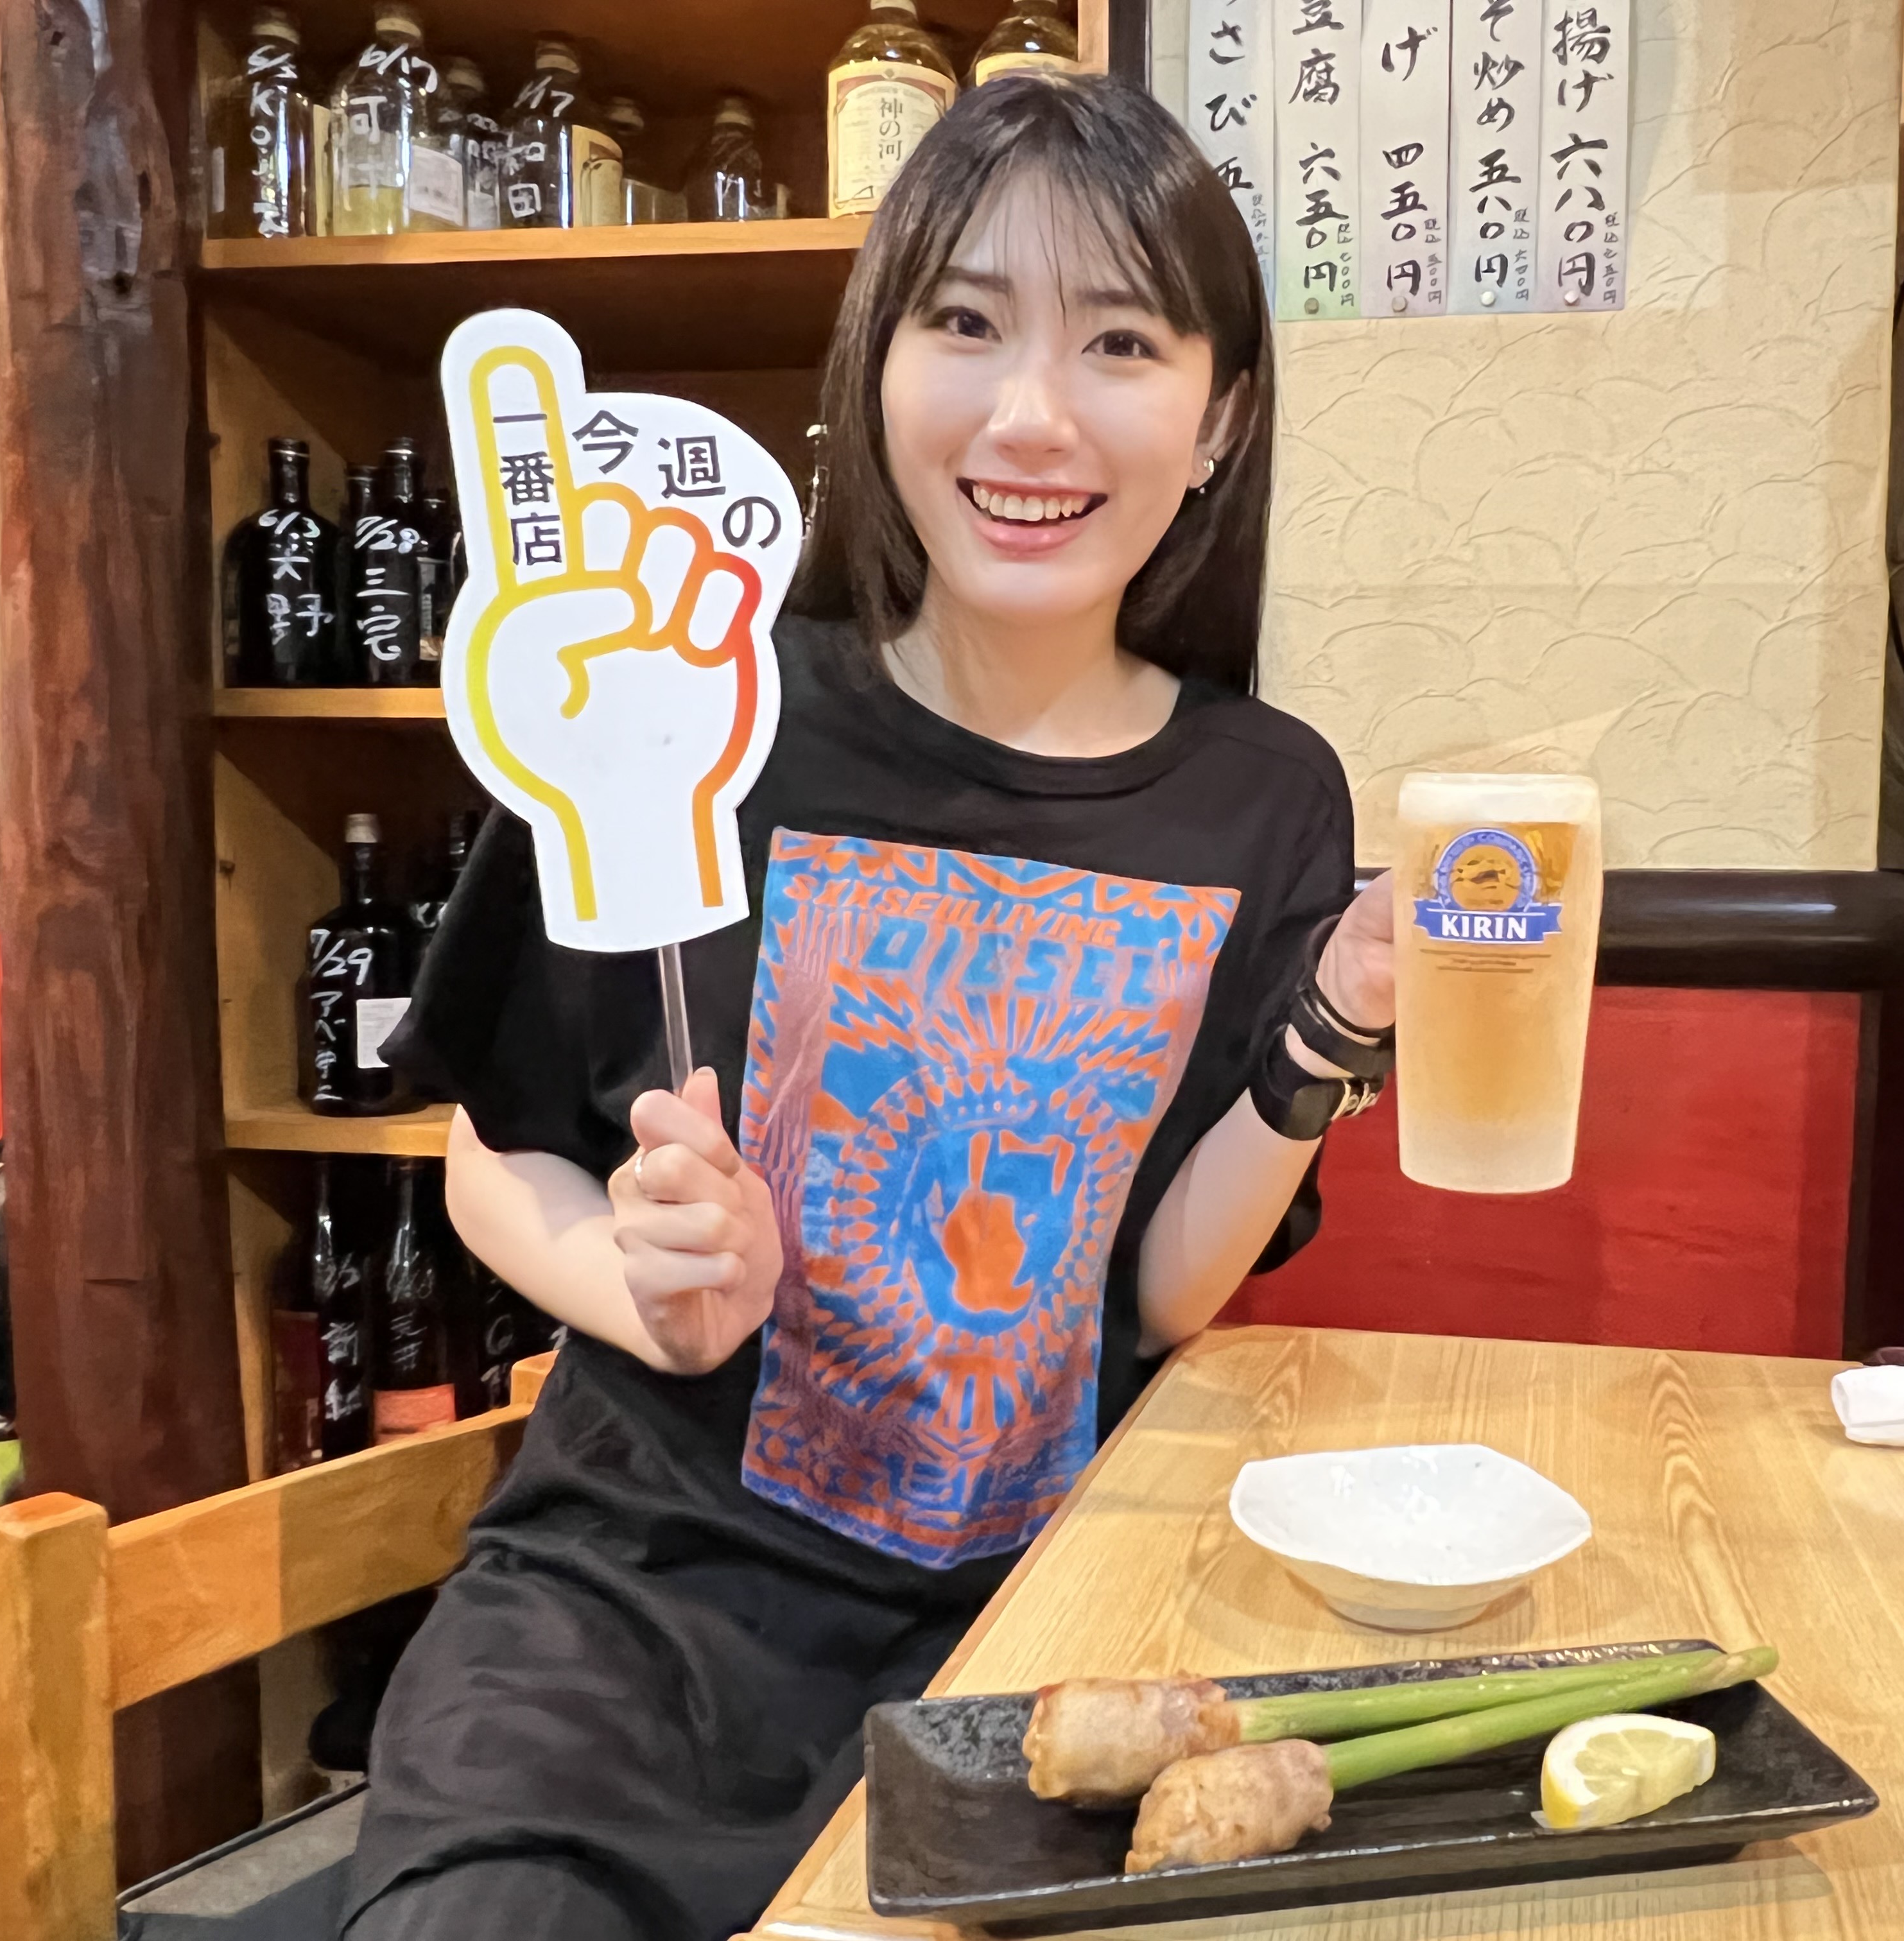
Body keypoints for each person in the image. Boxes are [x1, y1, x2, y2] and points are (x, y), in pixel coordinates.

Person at [348, 74, 1398, 1941]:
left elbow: (1153, 1297)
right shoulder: (677, 705)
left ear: (1220, 416)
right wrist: (650, 1292)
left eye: (1122, 342)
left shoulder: (1263, 797)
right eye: (966, 322)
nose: (1032, 414)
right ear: (878, 359)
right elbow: (493, 1164)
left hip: (1028, 1640)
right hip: (627, 1637)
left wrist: (1328, 1033)